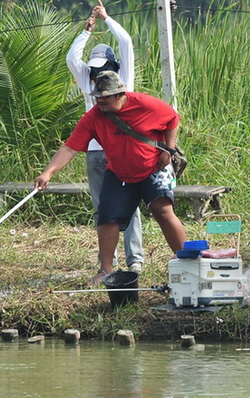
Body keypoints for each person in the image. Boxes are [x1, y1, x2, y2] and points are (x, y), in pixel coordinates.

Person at [34, 71, 186, 286]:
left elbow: (172, 119)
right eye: (98, 96)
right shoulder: (93, 117)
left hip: (153, 167)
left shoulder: (146, 104)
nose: (100, 101)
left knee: (162, 210)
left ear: (120, 94)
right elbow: (70, 148)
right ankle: (105, 270)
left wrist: (168, 150)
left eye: (105, 96)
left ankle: (186, 259)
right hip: (119, 172)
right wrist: (47, 173)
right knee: (107, 218)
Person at [66, 0, 144, 273]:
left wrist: (107, 19)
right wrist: (87, 30)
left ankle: (135, 260)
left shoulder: (124, 78)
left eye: (103, 67)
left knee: (130, 204)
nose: (99, 74)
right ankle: (106, 263)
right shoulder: (87, 79)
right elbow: (71, 59)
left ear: (113, 64)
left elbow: (126, 43)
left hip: (123, 151)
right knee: (102, 210)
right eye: (95, 68)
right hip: (97, 153)